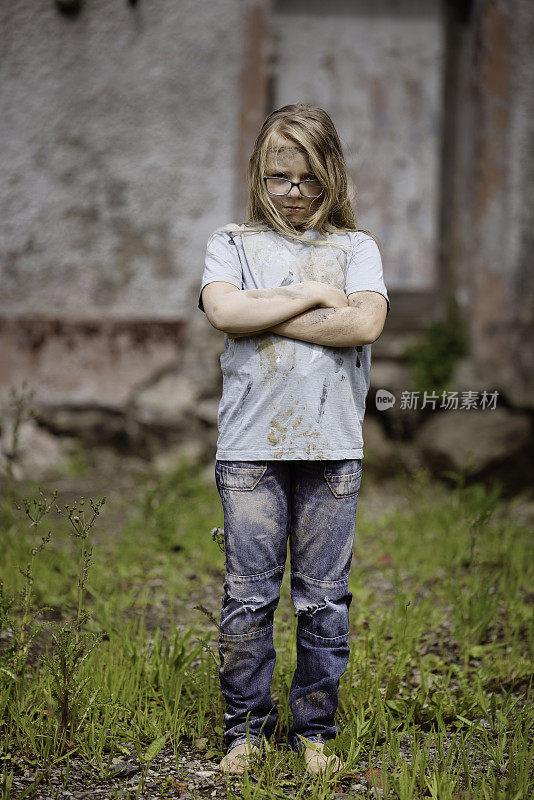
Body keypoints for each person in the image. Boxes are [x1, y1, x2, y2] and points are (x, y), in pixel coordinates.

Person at [197, 104, 390, 777]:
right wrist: (313, 296)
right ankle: (245, 732)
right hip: (249, 450)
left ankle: (315, 733)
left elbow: (364, 326)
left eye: (309, 180)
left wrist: (266, 316)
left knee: (323, 599)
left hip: (333, 449)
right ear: (259, 172)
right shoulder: (232, 242)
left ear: (331, 175)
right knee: (249, 596)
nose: (295, 194)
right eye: (281, 178)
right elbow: (223, 309)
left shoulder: (356, 247)